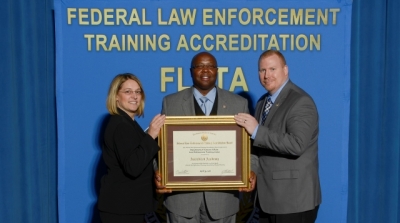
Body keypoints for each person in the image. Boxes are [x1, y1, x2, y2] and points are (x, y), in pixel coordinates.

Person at [155, 51, 257, 223]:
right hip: (181, 201)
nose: (205, 70)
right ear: (191, 71)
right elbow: (160, 146)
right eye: (199, 66)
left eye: (210, 66)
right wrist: (159, 171)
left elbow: (250, 147)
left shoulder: (238, 103)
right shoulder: (170, 103)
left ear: (217, 71)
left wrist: (251, 170)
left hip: (222, 201)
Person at [234, 50, 321, 223]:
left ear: (285, 70)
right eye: (262, 70)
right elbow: (259, 148)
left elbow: (297, 144)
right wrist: (252, 172)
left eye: (272, 69)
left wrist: (257, 131)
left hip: (293, 201)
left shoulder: (300, 101)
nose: (267, 75)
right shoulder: (262, 102)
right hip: (267, 199)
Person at [98, 73, 166, 223]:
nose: (134, 96)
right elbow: (133, 167)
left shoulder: (128, 123)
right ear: (116, 96)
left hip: (130, 207)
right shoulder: (121, 125)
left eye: (137, 92)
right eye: (128, 92)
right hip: (122, 210)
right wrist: (151, 134)